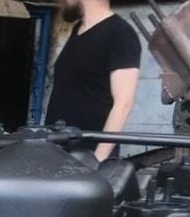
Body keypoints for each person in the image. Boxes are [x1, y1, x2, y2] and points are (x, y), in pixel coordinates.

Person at [45, 0, 141, 161]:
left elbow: (123, 104)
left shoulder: (120, 34)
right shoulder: (78, 30)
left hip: (86, 158)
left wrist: (97, 160)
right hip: (58, 152)